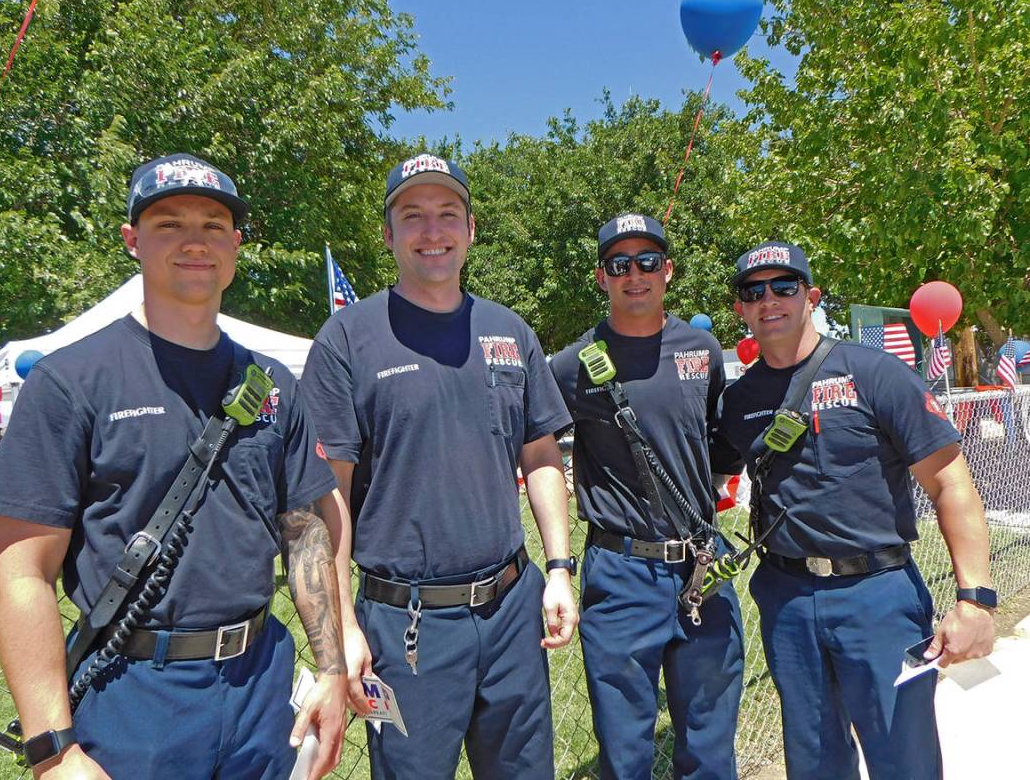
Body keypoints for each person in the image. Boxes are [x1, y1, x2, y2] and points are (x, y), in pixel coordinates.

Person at [0, 153, 348, 780]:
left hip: (262, 682)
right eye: (169, 224)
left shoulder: (272, 383)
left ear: (235, 243)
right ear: (132, 240)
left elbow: (305, 529)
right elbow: (22, 577)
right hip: (134, 692)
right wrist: (53, 750)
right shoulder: (71, 383)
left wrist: (333, 670)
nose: (194, 242)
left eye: (212, 225)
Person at [302, 153, 578, 779]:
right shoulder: (347, 339)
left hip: (513, 613)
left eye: (448, 214)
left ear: (472, 229)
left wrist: (559, 569)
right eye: (414, 216)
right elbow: (328, 500)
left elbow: (539, 452)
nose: (433, 231)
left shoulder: (510, 331)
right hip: (407, 628)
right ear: (388, 234)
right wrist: (341, 628)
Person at [710, 241, 996, 779]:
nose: (769, 300)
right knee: (815, 760)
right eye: (753, 292)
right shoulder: (737, 400)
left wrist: (975, 599)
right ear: (740, 310)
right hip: (787, 599)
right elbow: (710, 475)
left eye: (784, 286)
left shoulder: (875, 373)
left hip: (878, 598)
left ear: (811, 296)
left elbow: (950, 483)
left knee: (903, 758)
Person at [548, 214, 744, 779]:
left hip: (702, 569)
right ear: (601, 276)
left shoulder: (701, 350)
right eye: (620, 264)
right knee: (626, 751)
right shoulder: (571, 366)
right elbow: (531, 449)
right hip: (621, 574)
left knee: (710, 745)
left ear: (668, 270)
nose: (635, 274)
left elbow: (716, 443)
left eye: (648, 262)